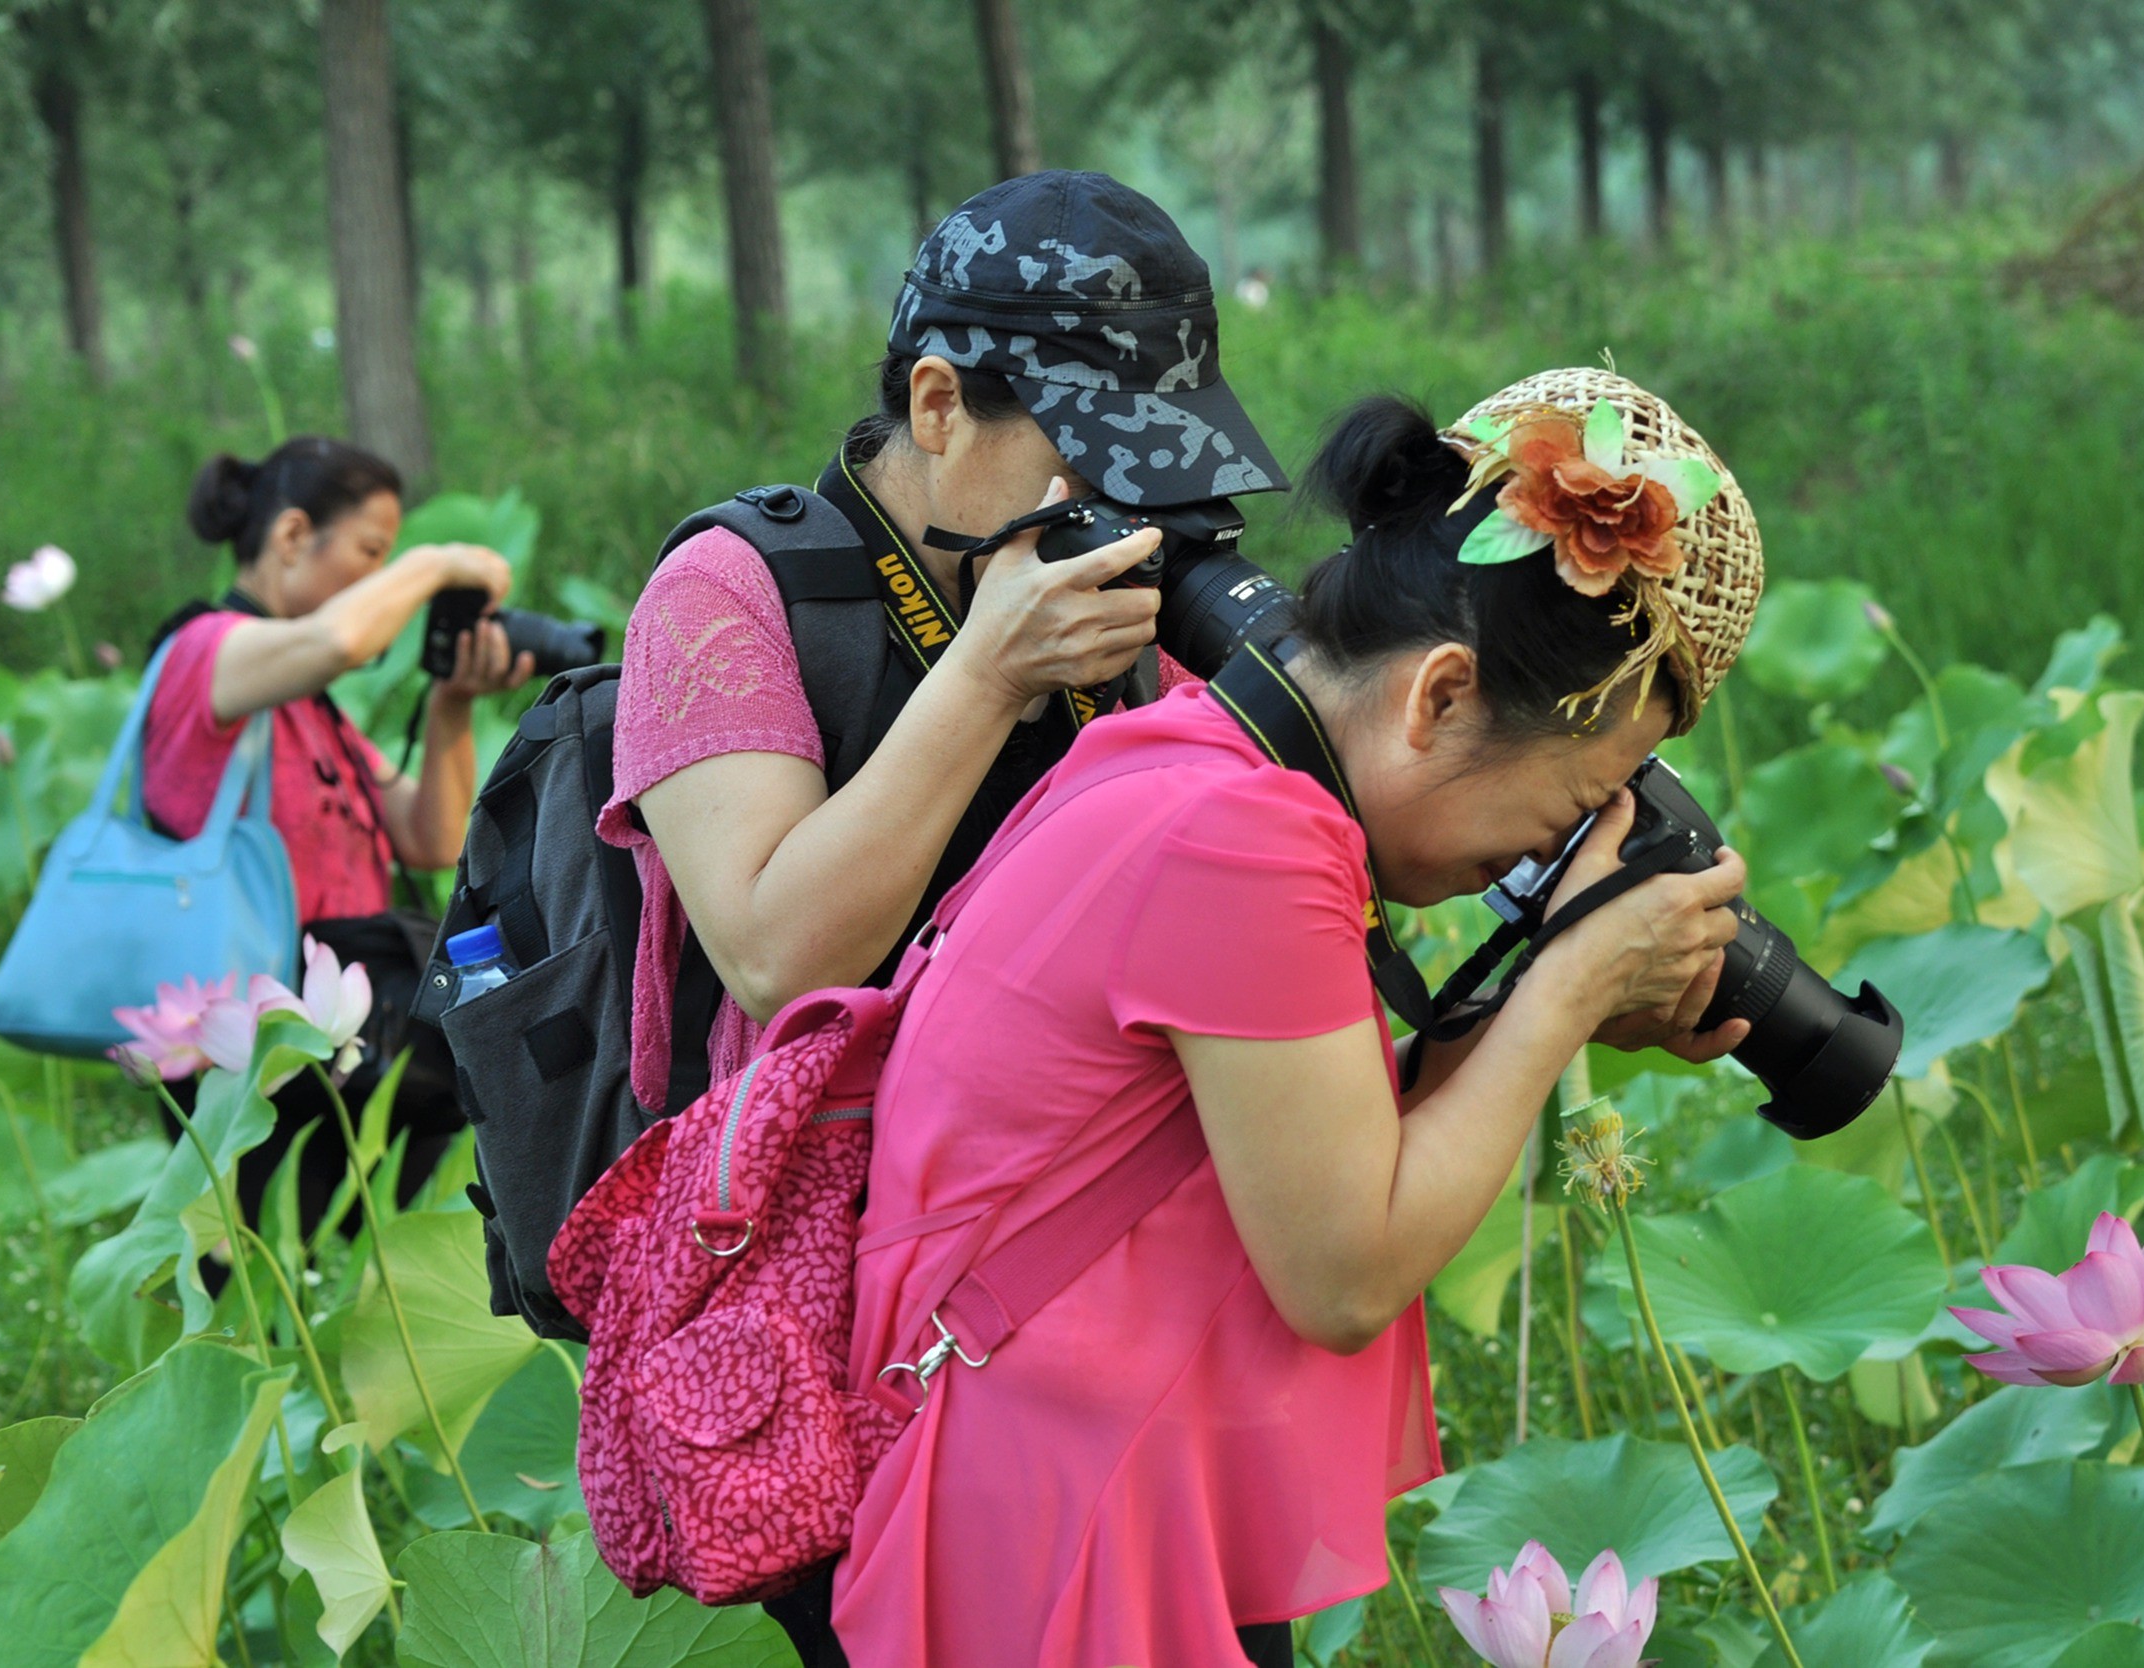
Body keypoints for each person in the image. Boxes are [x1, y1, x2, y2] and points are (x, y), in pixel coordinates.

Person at [830, 369, 1768, 1666]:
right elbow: (1345, 1270)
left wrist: (1562, 987)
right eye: (1565, 811)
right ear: (1438, 697)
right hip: (1062, 1536)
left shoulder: (1190, 764)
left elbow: (1307, 1153)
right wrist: (1563, 990)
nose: (1539, 860)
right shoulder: (1246, 843)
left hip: (1061, 1478)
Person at [604, 168, 1290, 1659]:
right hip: (846, 1325)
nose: (1128, 506)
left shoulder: (1112, 592)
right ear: (933, 404)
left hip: (1110, 1291)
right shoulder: (728, 594)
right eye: (1088, 457)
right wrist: (987, 676)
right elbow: (774, 949)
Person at [148, 435, 532, 1228]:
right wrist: (431, 564)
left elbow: (427, 838)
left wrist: (451, 703)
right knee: (273, 1269)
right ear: (292, 537)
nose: (382, 578)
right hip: (251, 1030)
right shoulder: (201, 652)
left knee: (353, 1264)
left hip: (337, 1017)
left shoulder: (309, 703)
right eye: (369, 551)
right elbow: (338, 640)